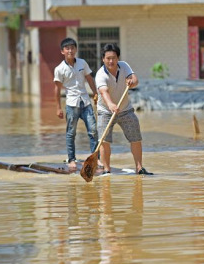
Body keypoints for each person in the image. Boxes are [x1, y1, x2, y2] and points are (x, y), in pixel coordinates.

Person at [95, 43, 152, 175]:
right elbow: (104, 92)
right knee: (104, 141)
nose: (111, 61)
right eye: (108, 58)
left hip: (125, 109)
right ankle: (106, 170)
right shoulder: (100, 75)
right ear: (103, 59)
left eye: (114, 58)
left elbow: (135, 79)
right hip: (105, 111)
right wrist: (110, 105)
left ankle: (139, 168)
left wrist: (133, 82)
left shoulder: (124, 66)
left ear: (118, 58)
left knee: (136, 138)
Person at [54, 38, 98, 172]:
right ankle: (72, 159)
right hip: (71, 105)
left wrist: (96, 94)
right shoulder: (59, 69)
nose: (70, 50)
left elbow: (90, 79)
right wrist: (58, 108)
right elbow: (56, 89)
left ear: (76, 50)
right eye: (67, 48)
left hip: (85, 102)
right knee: (71, 133)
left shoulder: (82, 63)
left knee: (93, 130)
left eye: (72, 48)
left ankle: (96, 158)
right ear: (62, 51)